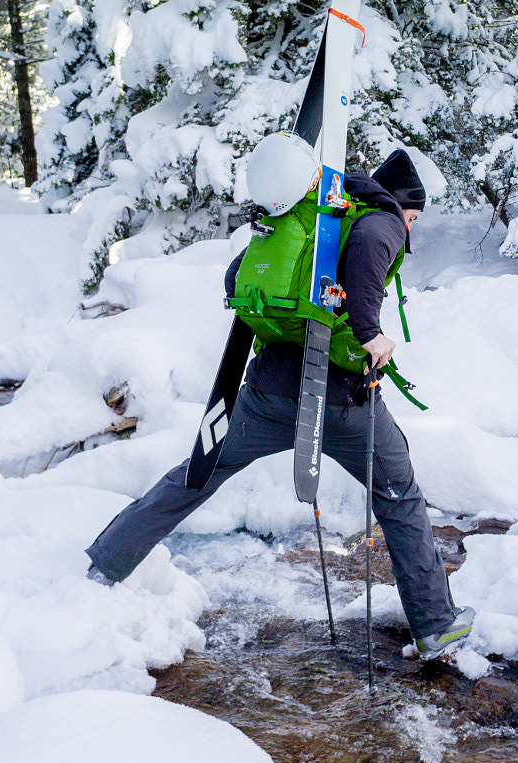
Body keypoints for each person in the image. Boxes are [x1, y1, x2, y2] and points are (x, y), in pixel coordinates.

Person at [82, 150, 475, 660]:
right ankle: (436, 624)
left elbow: (235, 282)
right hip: (342, 403)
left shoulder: (305, 216)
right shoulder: (381, 222)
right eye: (413, 216)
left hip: (267, 395)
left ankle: (103, 566)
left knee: (198, 472)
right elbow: (367, 266)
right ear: (400, 202)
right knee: (398, 497)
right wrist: (370, 333)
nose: (410, 227)